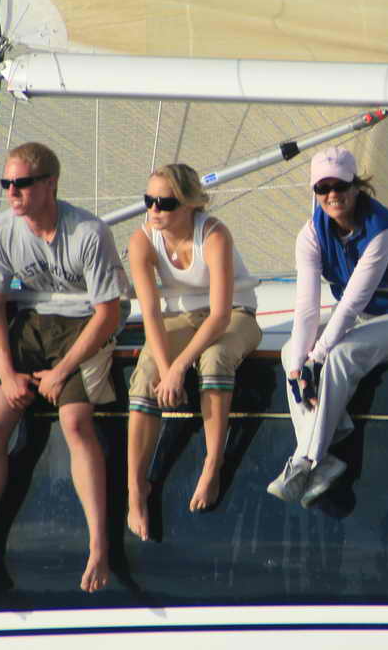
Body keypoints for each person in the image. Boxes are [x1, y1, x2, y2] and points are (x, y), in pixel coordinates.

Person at [0, 142, 128, 595]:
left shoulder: (88, 232)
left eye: (22, 184)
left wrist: (62, 371)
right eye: (6, 184)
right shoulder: (2, 230)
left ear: (50, 184)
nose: (12, 192)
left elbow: (108, 313)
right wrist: (7, 371)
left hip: (84, 323)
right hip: (30, 323)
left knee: (76, 423)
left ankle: (98, 547)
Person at [269, 147, 388, 507]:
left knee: (339, 356)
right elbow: (307, 308)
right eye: (322, 188)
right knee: (290, 351)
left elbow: (350, 303)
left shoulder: (383, 232)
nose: (332, 195)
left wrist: (316, 360)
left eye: (340, 186)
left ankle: (306, 460)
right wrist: (299, 369)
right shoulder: (311, 234)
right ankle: (328, 444)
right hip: (362, 320)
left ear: (357, 186)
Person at [126, 164, 261, 540]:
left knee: (215, 359)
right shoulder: (142, 240)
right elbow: (151, 314)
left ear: (189, 204)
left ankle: (212, 464)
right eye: (149, 200)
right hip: (182, 318)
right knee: (145, 374)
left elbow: (220, 316)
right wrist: (164, 367)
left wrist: (179, 368)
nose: (154, 209)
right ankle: (136, 488)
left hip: (234, 314)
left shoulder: (213, 235)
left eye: (165, 203)